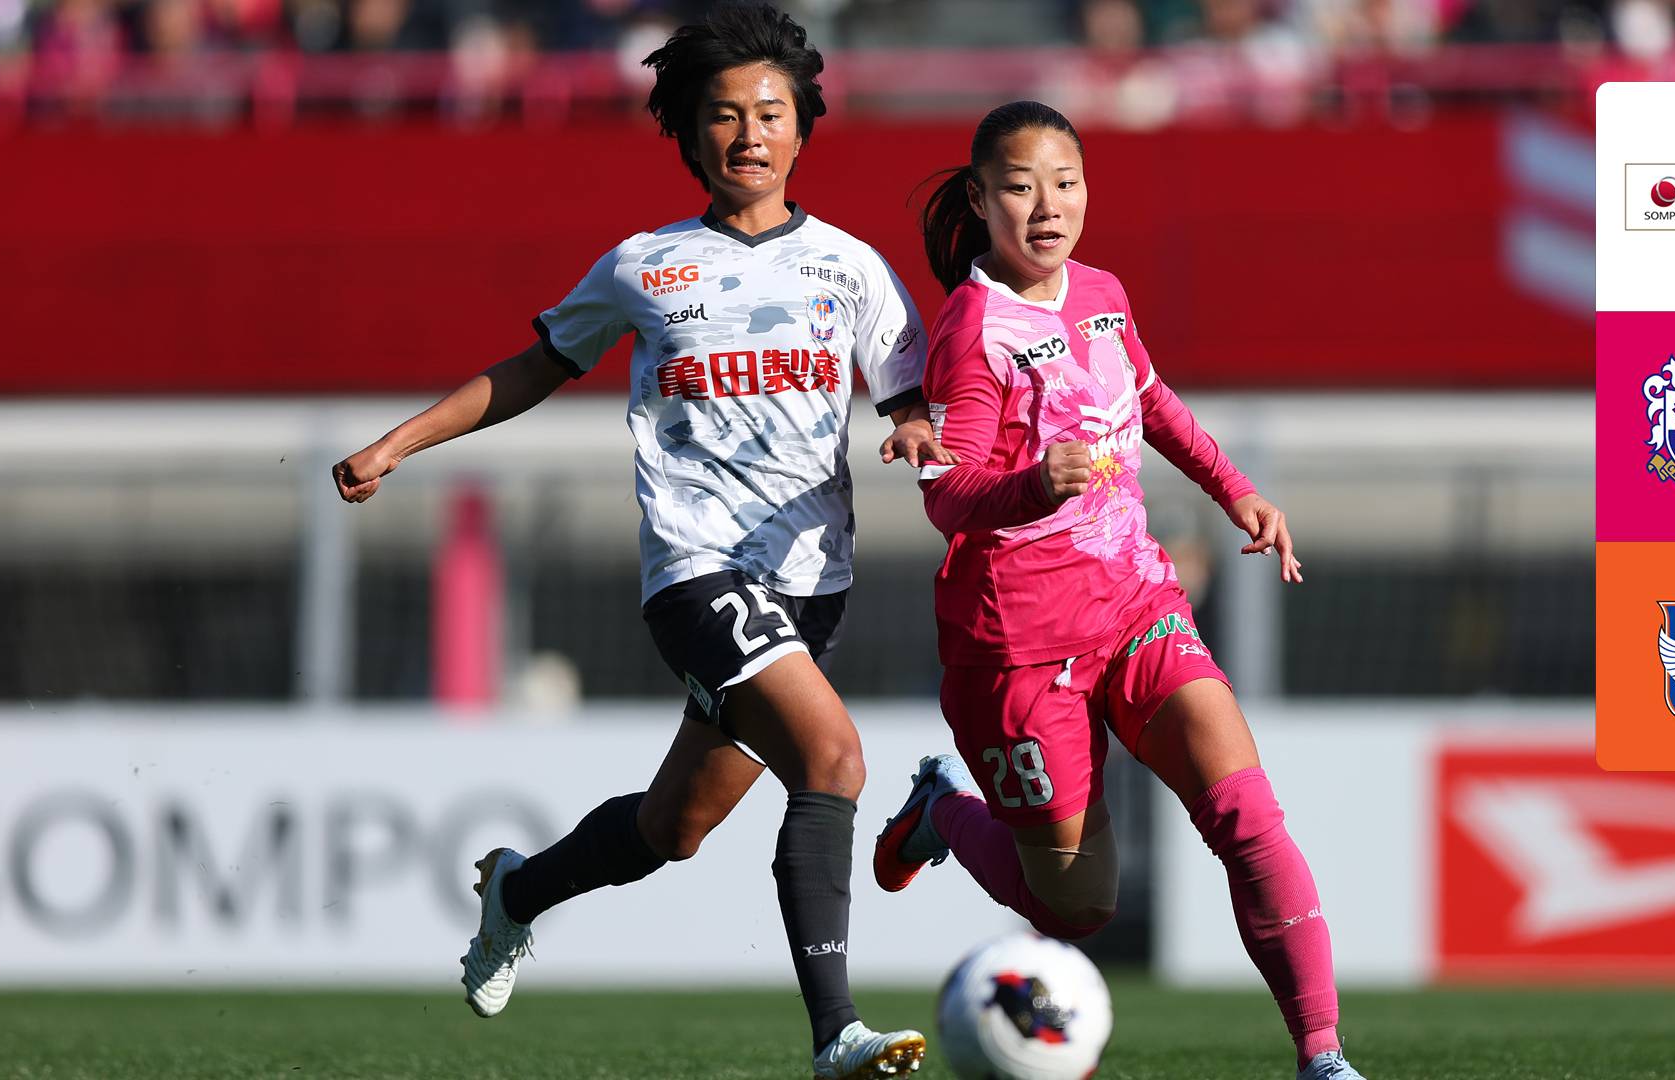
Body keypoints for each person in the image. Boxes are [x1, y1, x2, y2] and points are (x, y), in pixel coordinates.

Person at [330, 6, 944, 1077]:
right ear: (689, 133)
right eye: (724, 115)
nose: (748, 134)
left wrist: (917, 428)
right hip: (698, 572)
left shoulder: (851, 268)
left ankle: (517, 890)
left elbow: (911, 395)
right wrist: (398, 443)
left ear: (804, 127)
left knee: (675, 827)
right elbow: (535, 367)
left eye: (770, 113)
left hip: (812, 585)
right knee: (834, 758)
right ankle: (836, 1033)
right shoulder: (645, 265)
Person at [872, 100, 1368, 1080]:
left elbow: (1150, 401)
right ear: (981, 199)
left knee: (1248, 818)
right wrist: (1031, 484)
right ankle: (944, 813)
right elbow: (946, 496)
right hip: (1019, 649)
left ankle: (1323, 1059)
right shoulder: (974, 328)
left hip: (1138, 608)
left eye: (1065, 183)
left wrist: (1235, 490)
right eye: (1020, 188)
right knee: (1078, 905)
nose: (1046, 206)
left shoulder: (1102, 292)